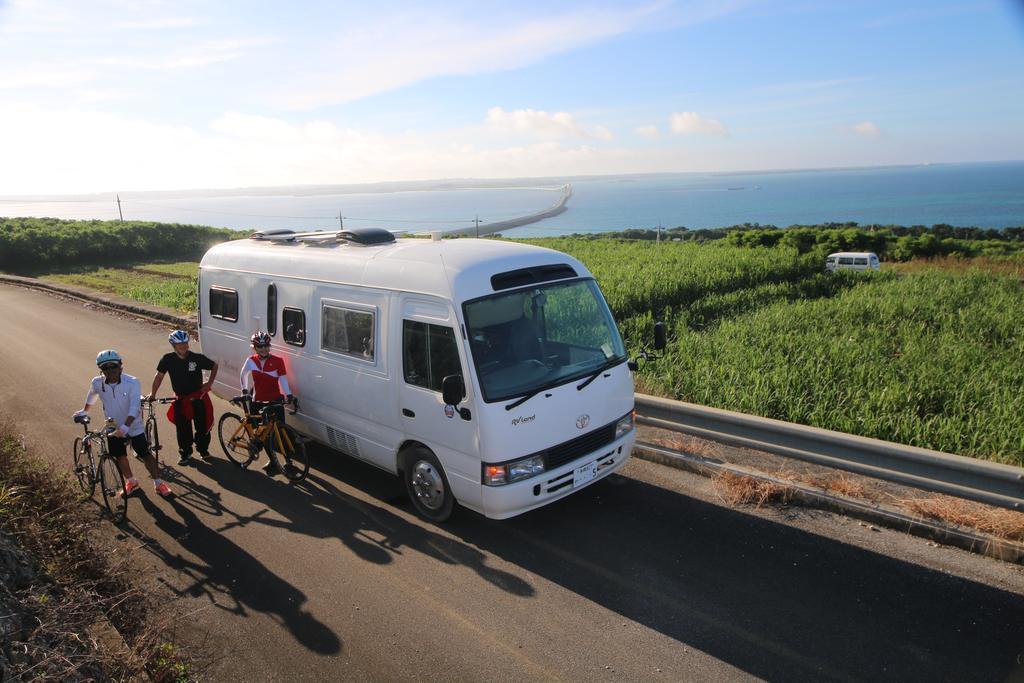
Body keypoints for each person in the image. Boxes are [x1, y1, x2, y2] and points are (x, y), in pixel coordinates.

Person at [74, 350, 172, 497]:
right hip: (112, 426)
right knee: (119, 456)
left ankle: (158, 483)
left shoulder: (132, 382)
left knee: (145, 454)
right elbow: (92, 395)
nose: (110, 370)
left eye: (113, 366)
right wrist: (85, 410)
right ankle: (131, 481)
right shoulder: (97, 382)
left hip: (133, 425)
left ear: (121, 367)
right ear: (101, 370)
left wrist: (125, 427)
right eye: (105, 367)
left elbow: (134, 407)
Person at [147, 330, 218, 466]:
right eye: (180, 344)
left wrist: (209, 383)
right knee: (183, 429)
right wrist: (153, 394)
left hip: (198, 398)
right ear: (173, 345)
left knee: (202, 427)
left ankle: (203, 450)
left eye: (185, 343)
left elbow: (214, 366)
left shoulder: (196, 358)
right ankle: (185, 453)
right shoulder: (167, 359)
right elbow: (159, 377)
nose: (183, 347)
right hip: (180, 399)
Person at [240, 330, 294, 476]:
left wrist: (288, 394)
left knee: (281, 432)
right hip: (257, 401)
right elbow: (243, 374)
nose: (263, 349)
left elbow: (282, 379)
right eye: (259, 346)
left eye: (266, 346)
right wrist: (244, 391)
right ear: (255, 347)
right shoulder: (251, 360)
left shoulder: (278, 361)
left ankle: (288, 460)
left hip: (274, 400)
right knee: (263, 435)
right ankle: (272, 461)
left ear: (269, 346)